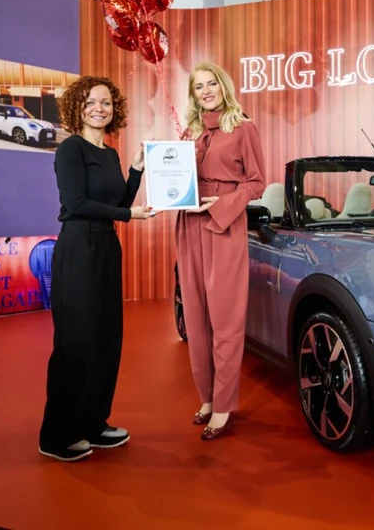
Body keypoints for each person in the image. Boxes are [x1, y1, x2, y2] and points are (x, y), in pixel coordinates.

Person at [38, 76, 153, 462]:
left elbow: (118, 203)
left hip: (105, 247)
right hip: (78, 248)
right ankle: (56, 435)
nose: (99, 109)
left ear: (114, 109)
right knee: (75, 343)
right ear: (77, 107)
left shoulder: (111, 154)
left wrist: (135, 171)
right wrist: (129, 215)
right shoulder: (70, 149)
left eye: (105, 102)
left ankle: (93, 423)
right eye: (90, 102)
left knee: (105, 339)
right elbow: (77, 203)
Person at [175, 62, 266, 441]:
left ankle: (225, 405)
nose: (206, 91)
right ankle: (207, 398)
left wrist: (223, 203)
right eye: (199, 86)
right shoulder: (190, 131)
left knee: (225, 318)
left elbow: (257, 182)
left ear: (223, 86)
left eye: (212, 83)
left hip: (224, 223)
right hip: (189, 223)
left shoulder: (242, 127)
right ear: (193, 94)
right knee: (195, 316)